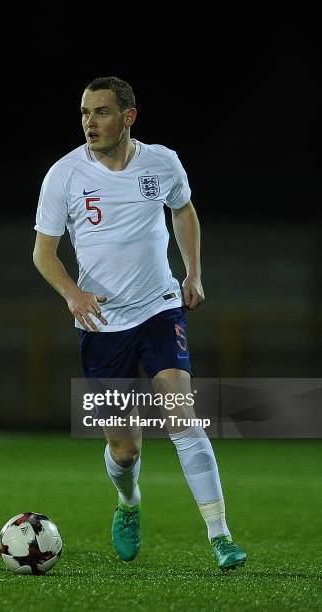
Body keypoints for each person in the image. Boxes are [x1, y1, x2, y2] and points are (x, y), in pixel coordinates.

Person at [32, 76, 247, 570]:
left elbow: (184, 209)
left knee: (181, 415)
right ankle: (129, 504)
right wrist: (73, 293)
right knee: (125, 451)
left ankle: (220, 535)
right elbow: (43, 252)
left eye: (102, 112)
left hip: (159, 308)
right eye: (85, 113)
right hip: (103, 324)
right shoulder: (63, 175)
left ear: (128, 117)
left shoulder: (162, 162)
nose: (90, 122)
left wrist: (193, 272)